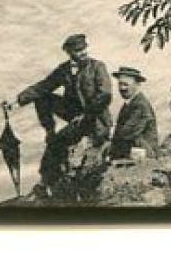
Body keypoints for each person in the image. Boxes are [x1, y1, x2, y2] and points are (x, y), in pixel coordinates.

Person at [14, 34, 113, 192]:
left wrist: (86, 114)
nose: (83, 53)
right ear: (69, 52)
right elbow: (44, 86)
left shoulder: (97, 67)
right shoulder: (64, 70)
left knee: (61, 143)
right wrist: (17, 102)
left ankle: (55, 181)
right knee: (42, 98)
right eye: (78, 50)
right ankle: (46, 177)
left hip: (95, 119)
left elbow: (105, 95)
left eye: (84, 49)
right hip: (74, 117)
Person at [107, 66, 159, 162]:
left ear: (137, 84)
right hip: (132, 150)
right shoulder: (129, 104)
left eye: (126, 85)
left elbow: (127, 133)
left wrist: (110, 137)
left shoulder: (140, 105)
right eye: (120, 84)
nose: (122, 88)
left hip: (142, 153)